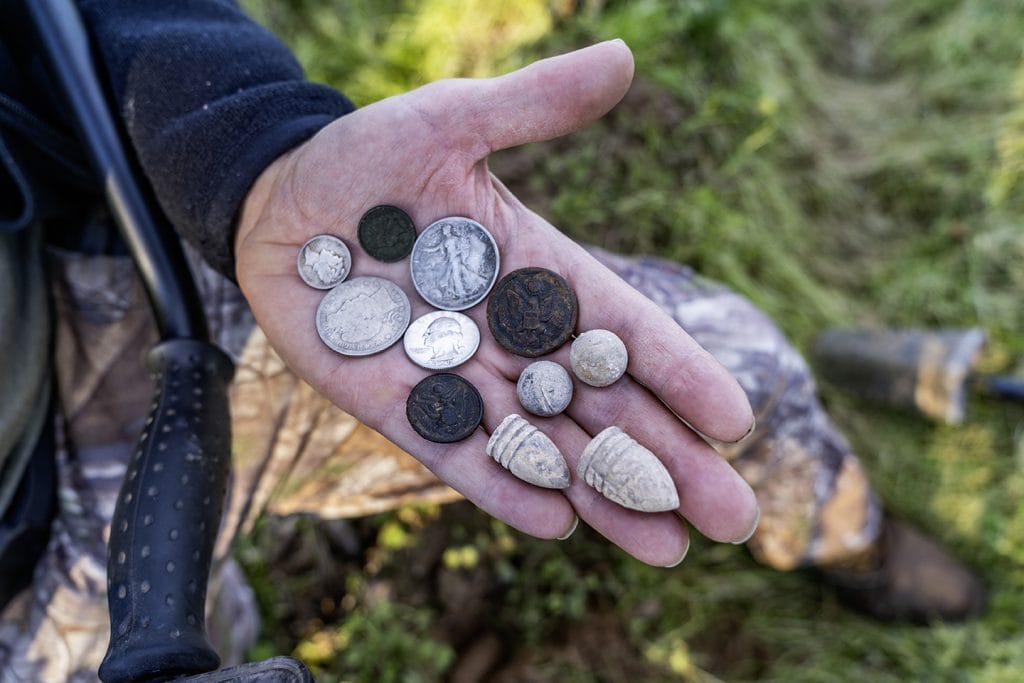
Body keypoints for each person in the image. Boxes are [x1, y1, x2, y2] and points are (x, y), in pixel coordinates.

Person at [0, 0, 984, 680]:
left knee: (726, 373)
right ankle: (219, 618)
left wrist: (244, 146)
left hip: (115, 302)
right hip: (26, 622)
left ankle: (846, 532)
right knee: (201, 636)